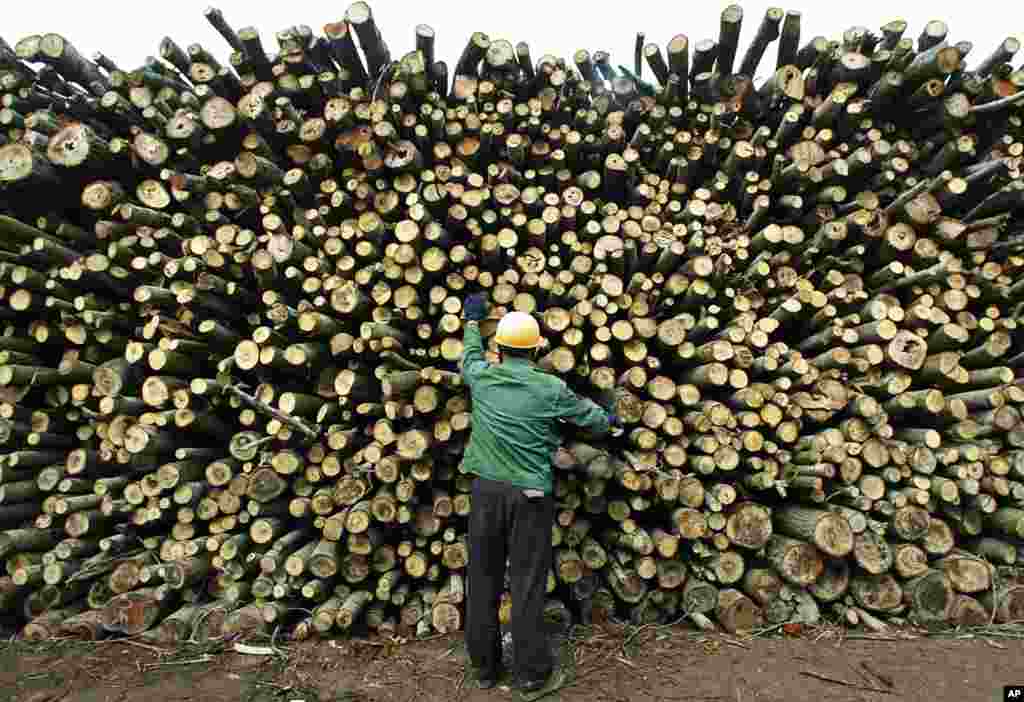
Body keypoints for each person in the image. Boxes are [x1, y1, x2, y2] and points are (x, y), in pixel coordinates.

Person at [458, 292, 621, 694]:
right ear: (535, 349)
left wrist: (470, 321)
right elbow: (594, 419)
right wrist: (612, 419)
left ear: (500, 347)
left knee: (483, 579)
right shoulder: (550, 387)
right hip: (529, 497)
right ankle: (531, 673)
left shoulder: (482, 376)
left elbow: (468, 356)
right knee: (527, 582)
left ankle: (484, 668)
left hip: (486, 492)